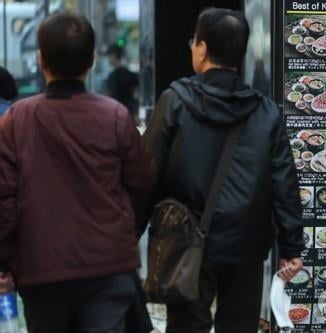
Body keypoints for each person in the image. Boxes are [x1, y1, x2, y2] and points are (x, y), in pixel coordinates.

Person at [136, 8, 304, 333]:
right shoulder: (265, 112)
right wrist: (291, 246)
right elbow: (284, 181)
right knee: (240, 326)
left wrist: (129, 235)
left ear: (201, 48)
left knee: (187, 327)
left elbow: (146, 174)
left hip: (188, 242)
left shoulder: (175, 101)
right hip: (248, 243)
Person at [0, 12, 156, 333]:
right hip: (109, 269)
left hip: (41, 270)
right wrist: (126, 233)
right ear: (92, 60)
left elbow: (5, 199)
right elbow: (144, 182)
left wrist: (4, 262)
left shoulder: (17, 120)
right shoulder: (114, 116)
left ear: (41, 60)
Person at [106, 44, 139, 118]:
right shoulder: (131, 75)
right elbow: (136, 96)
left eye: (109, 56)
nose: (108, 59)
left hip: (116, 114)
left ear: (114, 56)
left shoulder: (111, 77)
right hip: (128, 113)